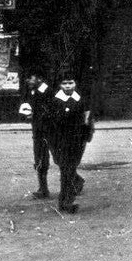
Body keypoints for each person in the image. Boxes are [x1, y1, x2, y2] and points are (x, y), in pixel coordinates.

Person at [47, 70, 92, 214]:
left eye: (70, 83)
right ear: (60, 85)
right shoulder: (55, 101)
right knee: (66, 171)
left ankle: (66, 200)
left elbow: (87, 121)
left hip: (76, 141)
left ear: (75, 84)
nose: (67, 86)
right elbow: (51, 124)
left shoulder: (80, 100)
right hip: (60, 142)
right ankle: (66, 201)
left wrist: (85, 137)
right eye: (64, 83)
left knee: (70, 170)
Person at [18, 68, 53, 198]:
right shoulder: (34, 91)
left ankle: (75, 181)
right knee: (40, 158)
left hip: (49, 131)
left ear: (39, 78)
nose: (28, 81)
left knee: (59, 158)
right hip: (38, 130)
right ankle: (43, 188)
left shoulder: (47, 91)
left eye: (30, 78)